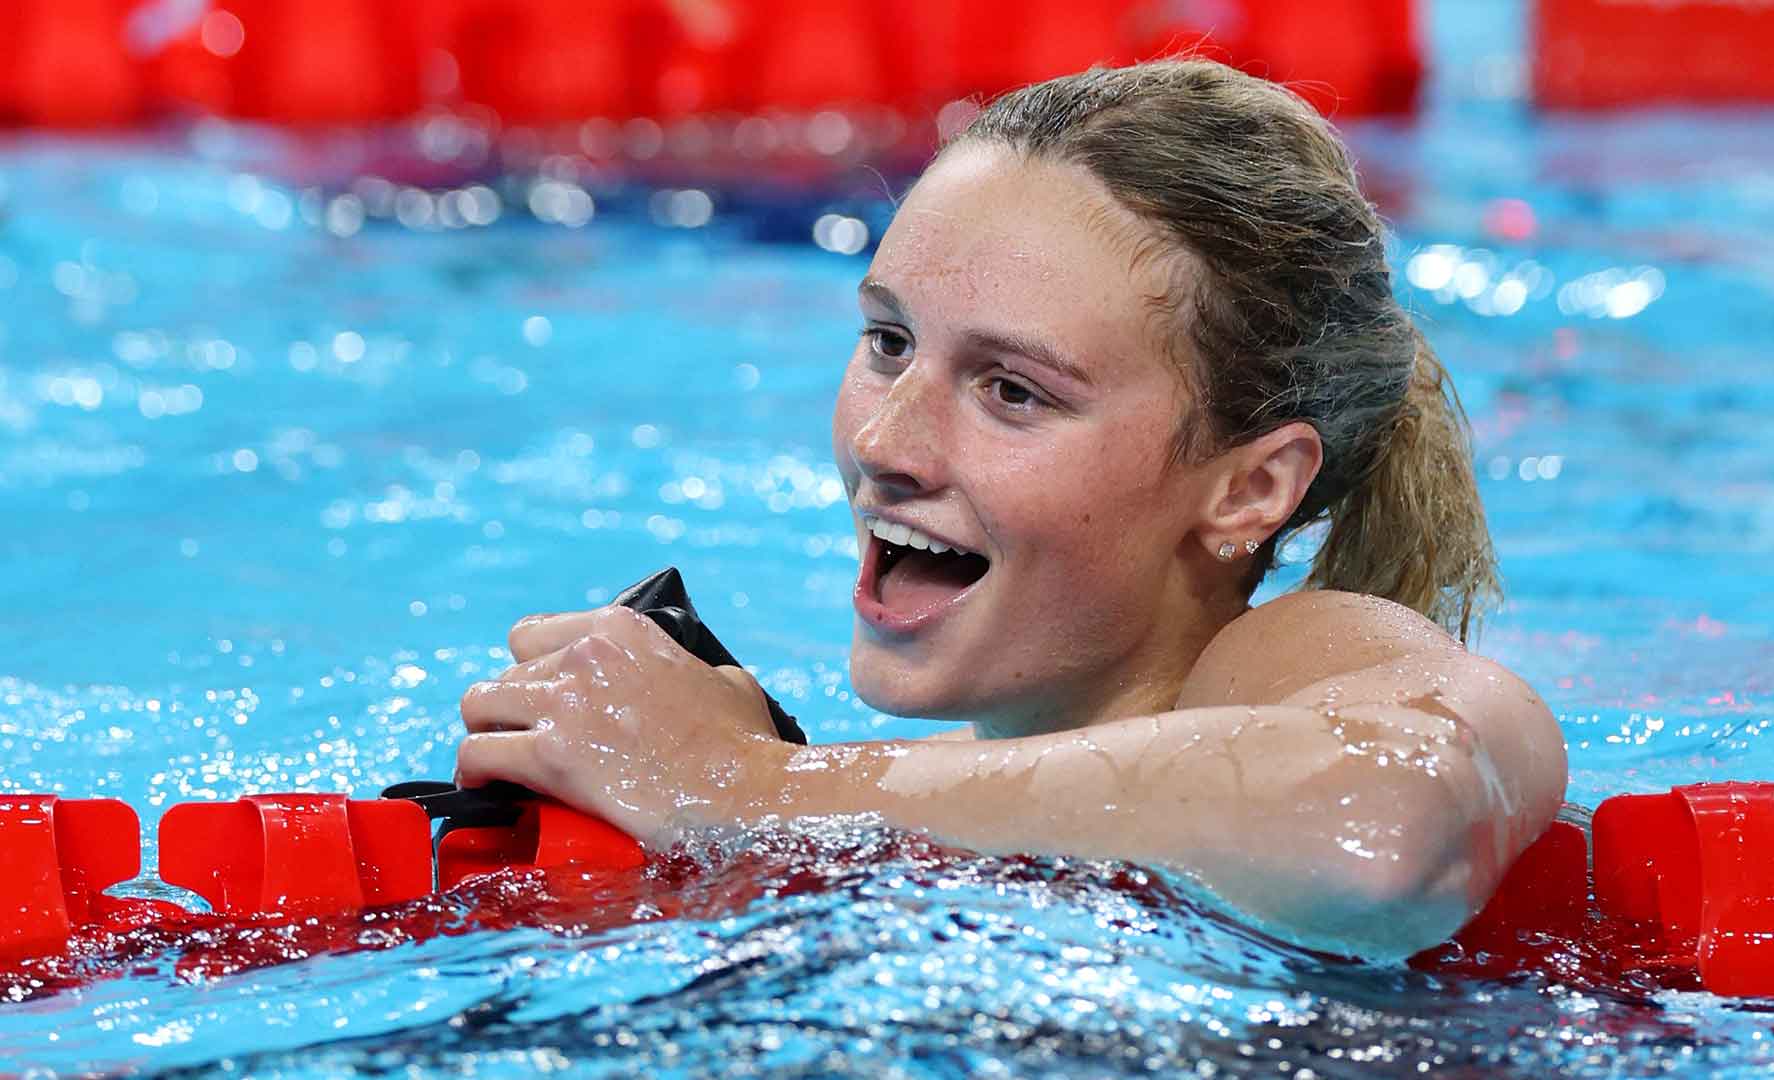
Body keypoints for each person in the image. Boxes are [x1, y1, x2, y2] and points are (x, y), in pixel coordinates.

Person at [455, 58, 1568, 960]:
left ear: (1249, 488)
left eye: (1013, 391)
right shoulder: (951, 799)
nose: (885, 446)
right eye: (888, 343)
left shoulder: (1296, 657)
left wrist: (746, 786)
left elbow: (1383, 828)